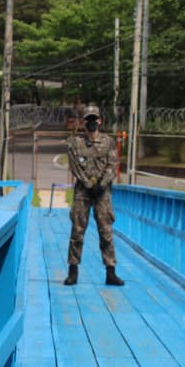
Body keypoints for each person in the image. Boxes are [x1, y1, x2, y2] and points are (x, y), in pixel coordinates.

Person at [64, 104, 124, 286]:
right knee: (77, 232)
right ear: (83, 122)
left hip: (102, 194)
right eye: (88, 119)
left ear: (100, 121)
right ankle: (73, 271)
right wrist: (89, 184)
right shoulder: (75, 143)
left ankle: (110, 271)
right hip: (83, 192)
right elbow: (75, 166)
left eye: (94, 119)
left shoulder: (108, 142)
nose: (91, 123)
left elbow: (113, 165)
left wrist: (101, 184)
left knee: (106, 233)